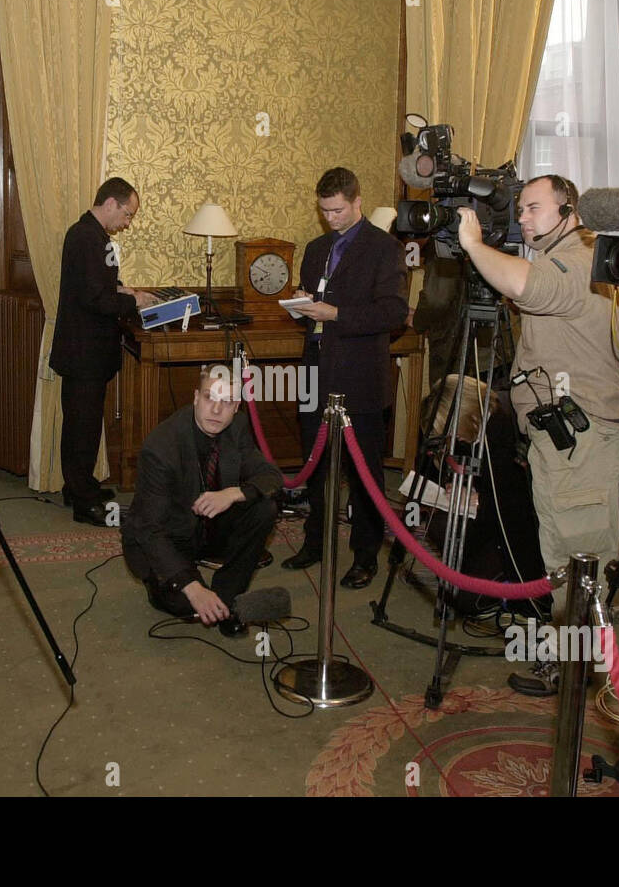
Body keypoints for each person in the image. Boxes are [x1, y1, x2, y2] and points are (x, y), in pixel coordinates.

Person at [457, 175, 619, 696]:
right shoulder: (569, 254)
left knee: (578, 559)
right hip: (565, 436)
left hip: (583, 438)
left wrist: (474, 244)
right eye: (520, 210)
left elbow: (526, 287)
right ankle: (571, 663)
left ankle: (583, 676)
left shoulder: (579, 257)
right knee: (562, 551)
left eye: (534, 208)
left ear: (570, 210)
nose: (523, 219)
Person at [283, 167, 408, 589]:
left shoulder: (384, 248)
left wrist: (335, 315)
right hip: (315, 369)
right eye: (324, 211)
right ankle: (315, 542)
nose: (330, 218)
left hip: (360, 376)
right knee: (314, 464)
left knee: (363, 471)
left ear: (357, 202)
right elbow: (312, 297)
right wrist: (303, 305)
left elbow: (392, 314)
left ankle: (365, 556)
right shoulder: (316, 248)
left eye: (337, 210)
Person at [122, 367, 282, 637]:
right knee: (186, 605)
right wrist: (192, 587)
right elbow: (150, 529)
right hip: (167, 535)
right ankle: (164, 588)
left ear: (236, 407)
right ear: (196, 397)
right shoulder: (161, 447)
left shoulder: (238, 427)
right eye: (210, 398)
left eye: (227, 402)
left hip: (210, 525)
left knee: (264, 508)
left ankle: (226, 598)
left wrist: (232, 494)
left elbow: (272, 477)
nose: (217, 410)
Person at [51, 177, 155, 526]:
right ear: (110, 203)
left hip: (88, 351)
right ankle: (84, 502)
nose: (128, 223)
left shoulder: (94, 237)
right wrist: (132, 300)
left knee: (85, 424)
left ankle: (81, 487)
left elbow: (97, 285)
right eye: (127, 214)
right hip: (83, 352)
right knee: (81, 427)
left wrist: (124, 289)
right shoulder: (85, 237)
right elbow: (94, 299)